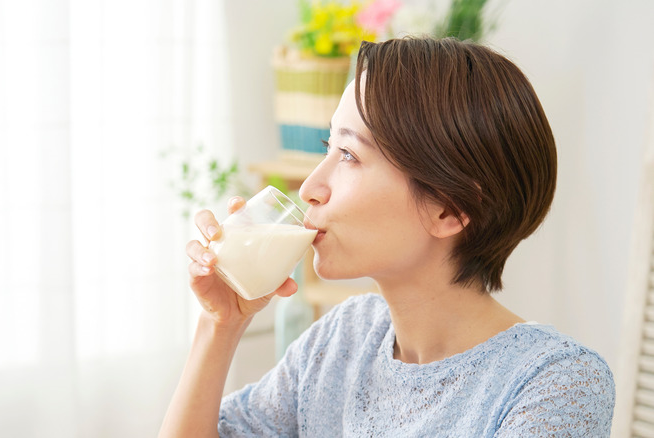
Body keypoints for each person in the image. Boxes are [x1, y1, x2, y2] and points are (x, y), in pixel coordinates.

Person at [159, 37, 615, 437]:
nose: (310, 188)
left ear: (449, 208)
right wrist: (221, 323)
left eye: (350, 155)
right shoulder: (344, 338)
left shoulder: (556, 384)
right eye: (328, 148)